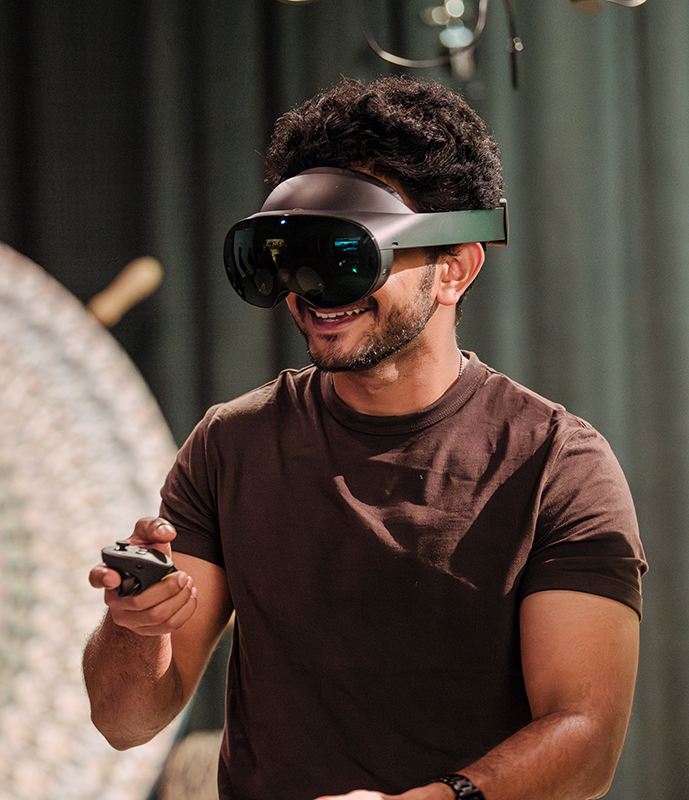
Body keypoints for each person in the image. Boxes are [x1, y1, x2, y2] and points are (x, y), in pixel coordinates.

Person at [82, 75, 646, 800]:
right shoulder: (232, 447)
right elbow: (124, 720)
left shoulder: (555, 465)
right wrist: (136, 626)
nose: (313, 291)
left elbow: (587, 739)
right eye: (291, 259)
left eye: (347, 257)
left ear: (454, 267)